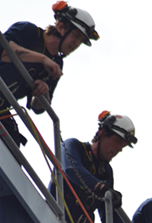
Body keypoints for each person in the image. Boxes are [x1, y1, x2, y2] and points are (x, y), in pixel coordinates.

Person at [0, 2, 99, 147]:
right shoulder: (29, 31)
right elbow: (5, 52)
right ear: (60, 27)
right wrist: (43, 59)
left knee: (13, 144)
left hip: (3, 109)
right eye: (76, 36)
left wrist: (43, 93)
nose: (77, 43)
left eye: (81, 41)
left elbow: (38, 108)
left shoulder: (56, 64)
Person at [53, 110, 138, 223]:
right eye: (117, 142)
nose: (119, 150)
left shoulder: (106, 172)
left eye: (122, 146)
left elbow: (108, 215)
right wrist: (101, 187)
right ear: (102, 133)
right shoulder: (74, 146)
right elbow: (71, 169)